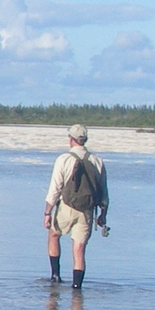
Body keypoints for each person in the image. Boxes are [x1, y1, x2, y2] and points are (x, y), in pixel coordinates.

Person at [43, 123, 108, 288]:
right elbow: (104, 192)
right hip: (87, 210)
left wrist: (48, 213)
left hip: (67, 206)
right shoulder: (97, 160)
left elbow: (55, 188)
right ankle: (77, 288)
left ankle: (55, 276)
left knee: (54, 235)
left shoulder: (64, 159)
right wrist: (103, 214)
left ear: (70, 139)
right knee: (79, 249)